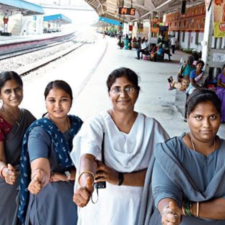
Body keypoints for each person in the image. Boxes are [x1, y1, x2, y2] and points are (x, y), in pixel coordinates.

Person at [138, 89, 225, 225]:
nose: (206, 124)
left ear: (220, 117)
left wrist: (187, 208)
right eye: (199, 117)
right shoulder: (169, 151)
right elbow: (164, 191)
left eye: (213, 117)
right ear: (188, 117)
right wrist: (168, 212)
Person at [71, 67, 169, 225]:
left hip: (138, 208)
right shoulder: (97, 124)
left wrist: (121, 178)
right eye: (116, 89)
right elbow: (87, 157)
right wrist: (86, 184)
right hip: (102, 211)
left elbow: (164, 171)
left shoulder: (151, 128)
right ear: (109, 93)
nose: (123, 95)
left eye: (128, 88)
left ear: (137, 91)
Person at [17, 80, 83, 225]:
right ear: (45, 102)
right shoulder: (39, 132)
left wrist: (66, 176)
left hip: (77, 198)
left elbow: (89, 162)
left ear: (71, 101)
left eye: (63, 100)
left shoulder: (78, 126)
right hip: (50, 203)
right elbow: (39, 164)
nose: (58, 106)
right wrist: (38, 177)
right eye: (52, 100)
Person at [0, 71, 36, 225]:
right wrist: (6, 172)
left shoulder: (26, 116)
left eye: (18, 89)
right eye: (7, 91)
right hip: (4, 181)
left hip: (26, 177)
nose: (14, 94)